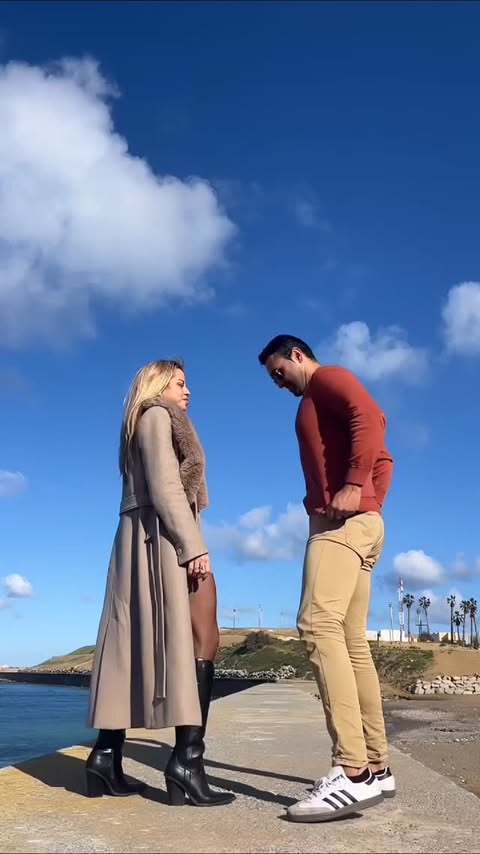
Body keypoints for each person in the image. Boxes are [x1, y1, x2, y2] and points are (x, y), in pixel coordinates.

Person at [258, 335, 395, 823]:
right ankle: (376, 765)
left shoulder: (327, 380)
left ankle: (352, 771)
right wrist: (370, 499)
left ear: (297, 355)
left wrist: (355, 487)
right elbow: (385, 458)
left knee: (316, 625)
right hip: (360, 523)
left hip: (343, 526)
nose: (279, 384)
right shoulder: (316, 396)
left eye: (279, 372)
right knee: (351, 641)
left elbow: (371, 417)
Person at [86, 359, 234, 807]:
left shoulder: (145, 420)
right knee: (204, 637)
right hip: (163, 538)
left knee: (128, 644)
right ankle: (187, 762)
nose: (188, 392)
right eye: (181, 383)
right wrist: (194, 546)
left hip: (145, 536)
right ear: (158, 384)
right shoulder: (155, 415)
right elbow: (167, 488)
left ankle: (106, 756)